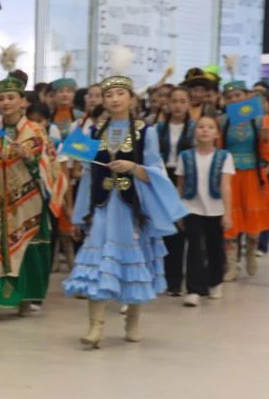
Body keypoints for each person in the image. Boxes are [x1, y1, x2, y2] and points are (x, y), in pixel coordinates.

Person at [64, 64, 186, 348]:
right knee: (97, 264)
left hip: (132, 209)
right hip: (103, 208)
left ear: (132, 98)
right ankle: (96, 327)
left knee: (134, 261)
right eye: (109, 95)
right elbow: (88, 175)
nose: (114, 99)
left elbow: (156, 171)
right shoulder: (95, 131)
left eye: (120, 94)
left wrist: (133, 167)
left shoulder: (146, 131)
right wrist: (79, 214)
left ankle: (132, 321)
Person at [0, 73, 66, 316]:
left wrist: (31, 158)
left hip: (29, 200)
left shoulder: (36, 130)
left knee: (29, 248)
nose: (6, 103)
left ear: (23, 101)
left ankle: (25, 299)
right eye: (1, 98)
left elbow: (51, 165)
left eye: (11, 98)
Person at [218, 79, 269, 280]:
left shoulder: (261, 119)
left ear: (246, 97)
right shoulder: (222, 121)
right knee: (230, 219)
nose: (234, 99)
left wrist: (265, 137)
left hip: (253, 175)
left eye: (238, 95)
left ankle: (251, 252)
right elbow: (218, 150)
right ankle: (231, 264)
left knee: (253, 218)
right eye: (229, 97)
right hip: (230, 176)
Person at [177, 116, 234, 307]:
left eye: (210, 127)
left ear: (217, 133)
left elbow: (226, 185)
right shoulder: (185, 156)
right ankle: (193, 290)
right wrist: (179, 211)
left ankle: (215, 282)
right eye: (201, 126)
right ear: (194, 131)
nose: (205, 130)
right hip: (192, 208)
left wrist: (228, 213)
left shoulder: (224, 156)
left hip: (216, 210)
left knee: (215, 248)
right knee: (194, 248)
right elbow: (181, 185)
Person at [156, 87, 197, 295]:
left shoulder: (194, 128)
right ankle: (160, 277)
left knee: (180, 229)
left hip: (186, 178)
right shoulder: (158, 128)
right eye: (174, 101)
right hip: (162, 177)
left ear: (188, 104)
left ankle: (175, 281)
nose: (178, 105)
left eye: (182, 101)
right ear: (168, 104)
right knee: (162, 228)